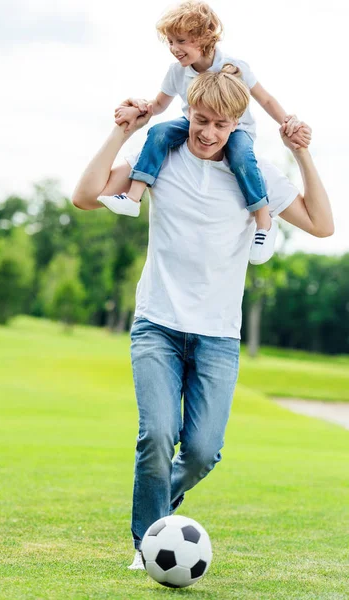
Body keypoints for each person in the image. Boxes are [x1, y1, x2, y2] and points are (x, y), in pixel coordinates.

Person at [72, 68, 333, 570]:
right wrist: (122, 130)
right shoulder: (163, 155)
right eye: (201, 119)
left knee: (202, 452)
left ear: (237, 124)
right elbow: (85, 196)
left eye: (221, 124)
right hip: (157, 325)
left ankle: (156, 515)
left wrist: (301, 152)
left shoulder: (252, 171)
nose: (208, 132)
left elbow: (323, 226)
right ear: (188, 112)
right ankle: (146, 542)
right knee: (157, 434)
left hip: (218, 336)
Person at [97, 0, 311, 265]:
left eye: (181, 41)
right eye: (170, 42)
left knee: (242, 157)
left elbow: (265, 99)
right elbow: (160, 105)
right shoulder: (177, 72)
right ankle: (132, 196)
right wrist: (137, 110)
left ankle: (264, 223)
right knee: (159, 133)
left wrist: (286, 120)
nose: (174, 49)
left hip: (235, 130)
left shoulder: (235, 66)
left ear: (203, 38)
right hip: (193, 124)